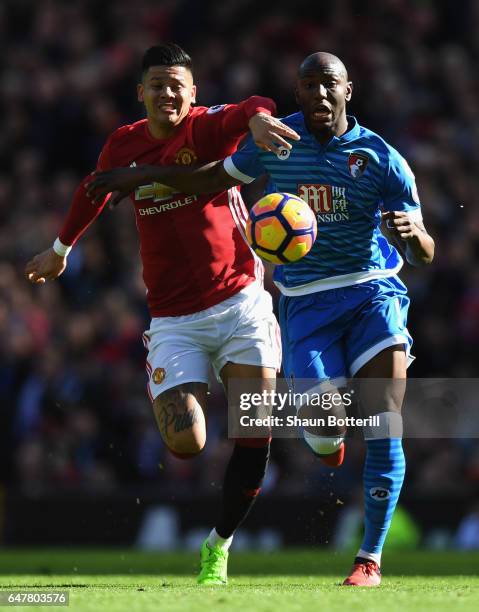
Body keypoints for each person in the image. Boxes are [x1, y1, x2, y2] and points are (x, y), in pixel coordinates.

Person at [86, 51, 435, 587]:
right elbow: (209, 181)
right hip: (306, 302)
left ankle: (369, 559)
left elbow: (424, 252)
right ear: (297, 94)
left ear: (349, 90)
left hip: (372, 293)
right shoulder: (277, 142)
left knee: (386, 421)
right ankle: (327, 438)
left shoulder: (382, 158)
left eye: (330, 86)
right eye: (309, 86)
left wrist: (414, 240)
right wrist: (139, 176)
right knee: (321, 429)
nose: (320, 95)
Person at [25, 42, 301, 585]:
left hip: (241, 299)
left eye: (177, 84)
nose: (168, 93)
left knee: (254, 429)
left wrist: (262, 120)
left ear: (192, 93)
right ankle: (169, 377)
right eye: (157, 84)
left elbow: (252, 103)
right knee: (187, 444)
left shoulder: (205, 129)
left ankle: (218, 546)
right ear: (141, 94)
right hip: (175, 319)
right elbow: (94, 191)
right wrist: (60, 251)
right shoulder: (122, 144)